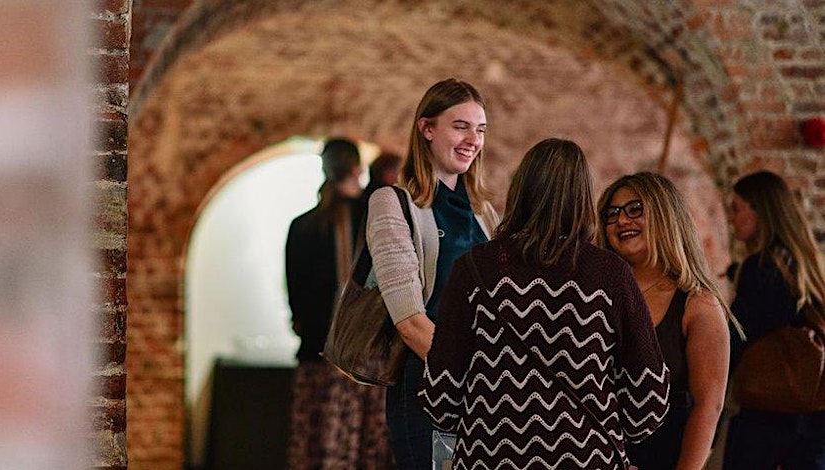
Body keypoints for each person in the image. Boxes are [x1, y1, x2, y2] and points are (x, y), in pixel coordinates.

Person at [419, 138, 670, 470]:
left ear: (520, 190)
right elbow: (648, 398)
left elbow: (440, 394)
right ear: (583, 198)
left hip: (491, 456)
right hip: (586, 458)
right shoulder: (609, 274)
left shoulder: (475, 268)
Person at [365, 78, 499, 469]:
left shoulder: (484, 212)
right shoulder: (392, 202)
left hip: (484, 389)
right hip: (428, 384)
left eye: (480, 130)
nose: (473, 139)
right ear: (426, 128)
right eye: (460, 126)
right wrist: (480, 374)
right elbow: (410, 321)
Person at [596, 172, 738, 470]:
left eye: (635, 209)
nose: (621, 220)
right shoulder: (596, 295)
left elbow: (708, 406)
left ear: (665, 215)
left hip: (664, 457)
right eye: (612, 214)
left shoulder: (698, 304)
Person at [285, 138, 393, 470]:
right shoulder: (373, 219)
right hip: (368, 356)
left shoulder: (303, 226)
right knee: (365, 450)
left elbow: (297, 302)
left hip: (320, 353)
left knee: (319, 446)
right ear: (357, 168)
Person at [722, 170, 825, 470]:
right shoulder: (807, 265)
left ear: (759, 210)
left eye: (736, 208)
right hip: (811, 420)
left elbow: (737, 336)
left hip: (767, 420)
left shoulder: (760, 268)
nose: (731, 219)